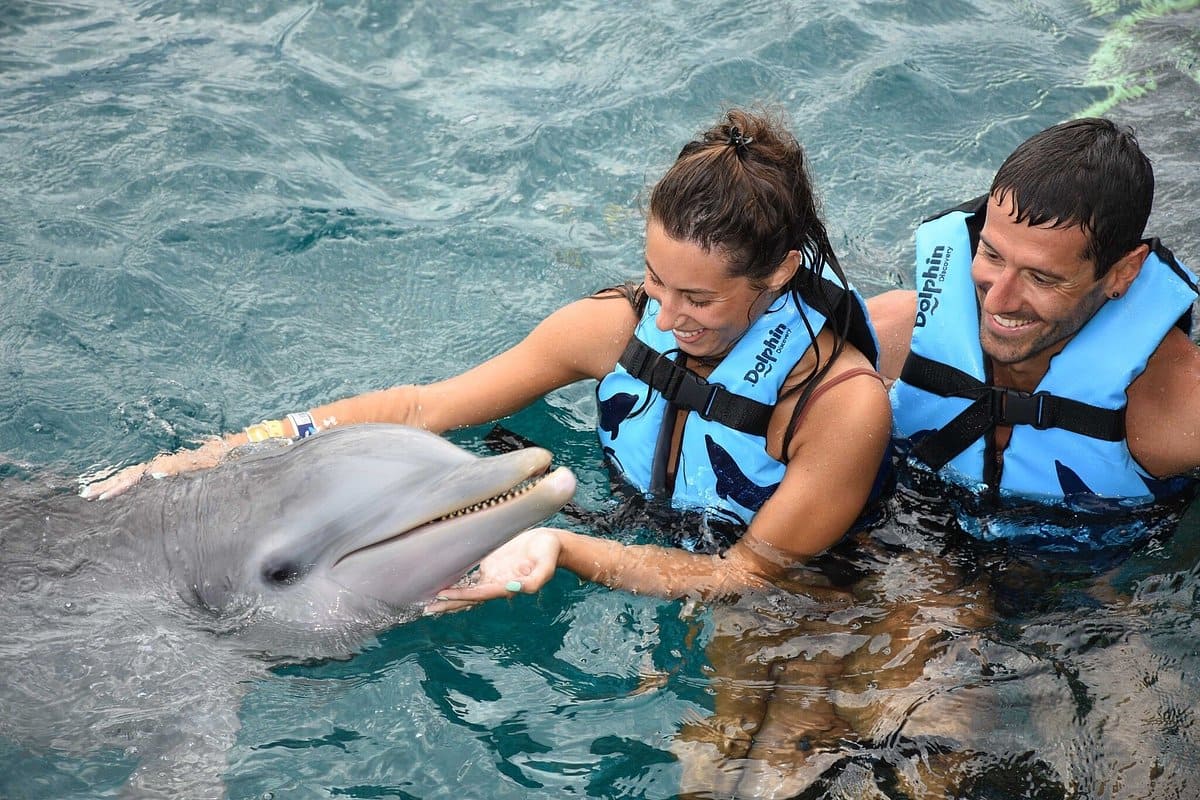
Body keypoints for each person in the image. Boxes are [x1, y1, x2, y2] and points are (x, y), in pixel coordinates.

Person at [85, 106, 891, 603]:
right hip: (640, 527)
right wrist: (199, 462)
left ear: (780, 273)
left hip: (817, 589)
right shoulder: (616, 328)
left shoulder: (837, 406)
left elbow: (750, 578)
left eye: (701, 300)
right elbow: (420, 409)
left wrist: (568, 548)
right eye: (656, 281)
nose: (668, 316)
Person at [868, 116, 1200, 545]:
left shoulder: (1175, 409)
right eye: (991, 254)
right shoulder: (894, 338)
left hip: (1076, 591)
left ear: (1123, 273)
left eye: (1041, 278)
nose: (998, 300)